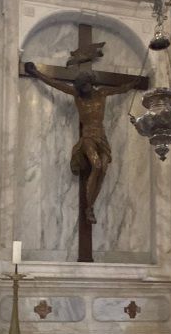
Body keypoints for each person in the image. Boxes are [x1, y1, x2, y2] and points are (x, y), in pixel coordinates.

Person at [25, 49, 142, 224]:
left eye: (86, 85)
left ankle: (91, 204)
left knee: (103, 168)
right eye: (82, 86)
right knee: (96, 164)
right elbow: (55, 84)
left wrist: (134, 83)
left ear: (90, 83)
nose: (84, 88)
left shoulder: (102, 93)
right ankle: (89, 208)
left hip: (101, 136)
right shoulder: (77, 96)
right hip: (88, 137)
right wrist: (36, 73)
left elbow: (120, 89)